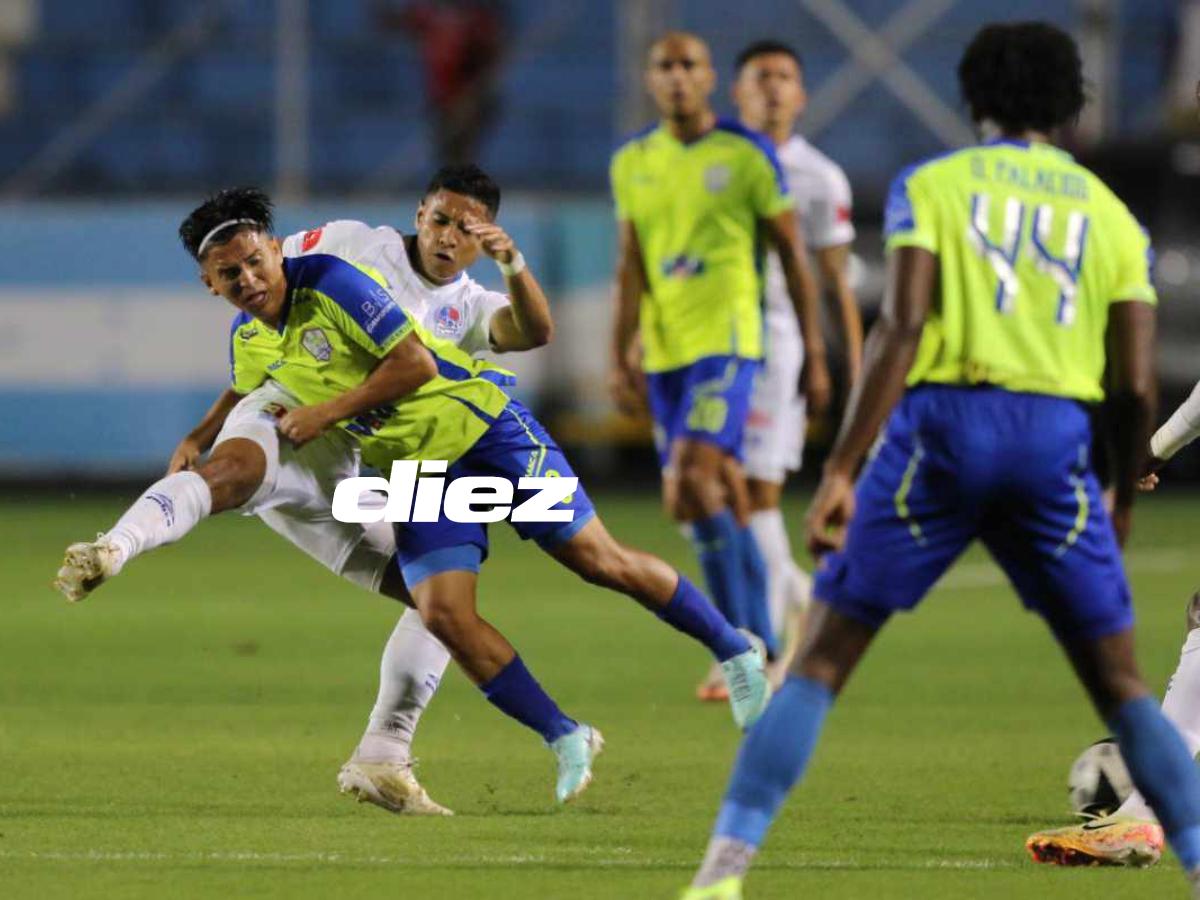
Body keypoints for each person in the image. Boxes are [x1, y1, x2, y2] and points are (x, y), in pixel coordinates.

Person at [682, 21, 1200, 899]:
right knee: (1122, 686)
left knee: (819, 664)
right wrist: (1117, 487)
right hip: (1053, 441)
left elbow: (902, 325)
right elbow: (1137, 382)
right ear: (1071, 108)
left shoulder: (935, 185)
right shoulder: (1111, 216)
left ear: (974, 99)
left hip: (942, 430)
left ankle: (720, 875)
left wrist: (841, 467)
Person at [59, 173, 769, 807]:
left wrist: (326, 413)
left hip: (486, 431)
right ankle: (565, 734)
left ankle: (735, 649)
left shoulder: (336, 278)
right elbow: (250, 380)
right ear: (210, 283)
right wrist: (203, 433)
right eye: (229, 272)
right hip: (417, 469)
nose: (247, 277)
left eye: (253, 261)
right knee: (444, 615)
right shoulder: (263, 323)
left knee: (596, 560)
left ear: (275, 251)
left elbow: (420, 365)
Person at [609, 32, 831, 700]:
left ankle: (741, 643)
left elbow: (791, 255)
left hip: (729, 342)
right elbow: (632, 263)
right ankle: (760, 640)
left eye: (689, 65)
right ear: (651, 79)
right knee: (711, 494)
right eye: (665, 66)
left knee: (695, 481)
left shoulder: (746, 153)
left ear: (709, 79)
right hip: (666, 352)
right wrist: (620, 351)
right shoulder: (633, 161)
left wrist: (815, 351)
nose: (677, 76)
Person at [730, 39, 863, 679]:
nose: (773, 87)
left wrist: (846, 367)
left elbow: (836, 284)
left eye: (785, 76)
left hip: (775, 342)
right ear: (738, 91)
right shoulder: (716, 160)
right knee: (714, 492)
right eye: (761, 77)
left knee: (755, 490)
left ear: (802, 95)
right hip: (708, 344)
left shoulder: (819, 178)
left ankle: (764, 644)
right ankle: (794, 596)